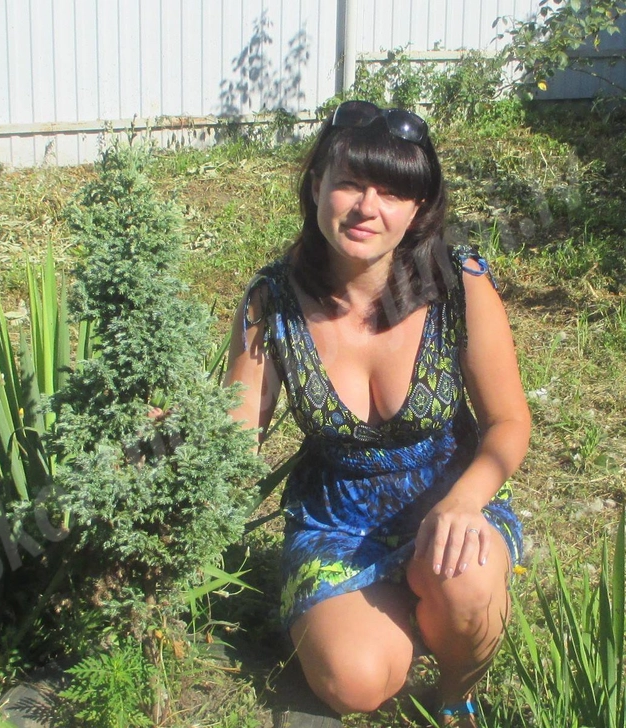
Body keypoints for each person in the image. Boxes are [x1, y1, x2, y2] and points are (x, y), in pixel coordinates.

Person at [224, 100, 531, 727]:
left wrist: (464, 501)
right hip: (334, 523)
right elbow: (236, 432)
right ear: (317, 186)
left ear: (418, 208)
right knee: (353, 682)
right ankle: (414, 614)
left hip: (450, 504)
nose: (368, 207)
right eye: (350, 184)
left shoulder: (458, 283)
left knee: (466, 580)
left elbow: (509, 421)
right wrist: (177, 438)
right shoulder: (273, 302)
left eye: (392, 192)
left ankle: (455, 692)